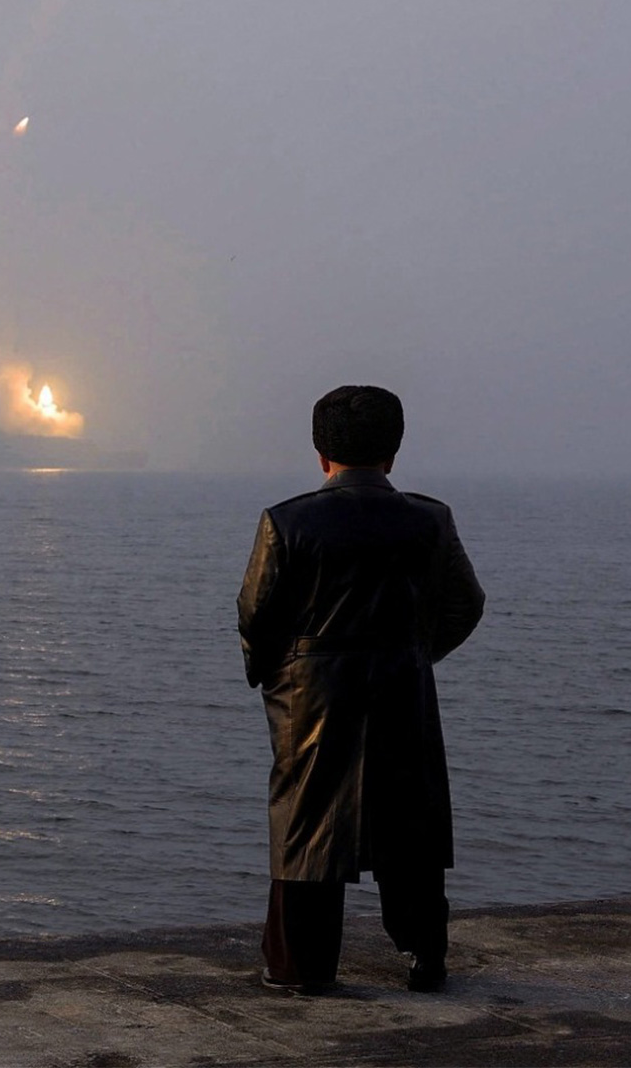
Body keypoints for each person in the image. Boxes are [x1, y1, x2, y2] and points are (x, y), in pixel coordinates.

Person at [236, 384, 484, 995]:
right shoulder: (431, 519)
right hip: (403, 682)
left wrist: (279, 676)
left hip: (312, 693)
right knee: (411, 819)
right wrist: (418, 654)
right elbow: (465, 605)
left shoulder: (286, 521)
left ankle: (300, 967)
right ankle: (426, 956)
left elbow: (256, 616)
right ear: (394, 454)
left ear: (321, 454)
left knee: (306, 824)